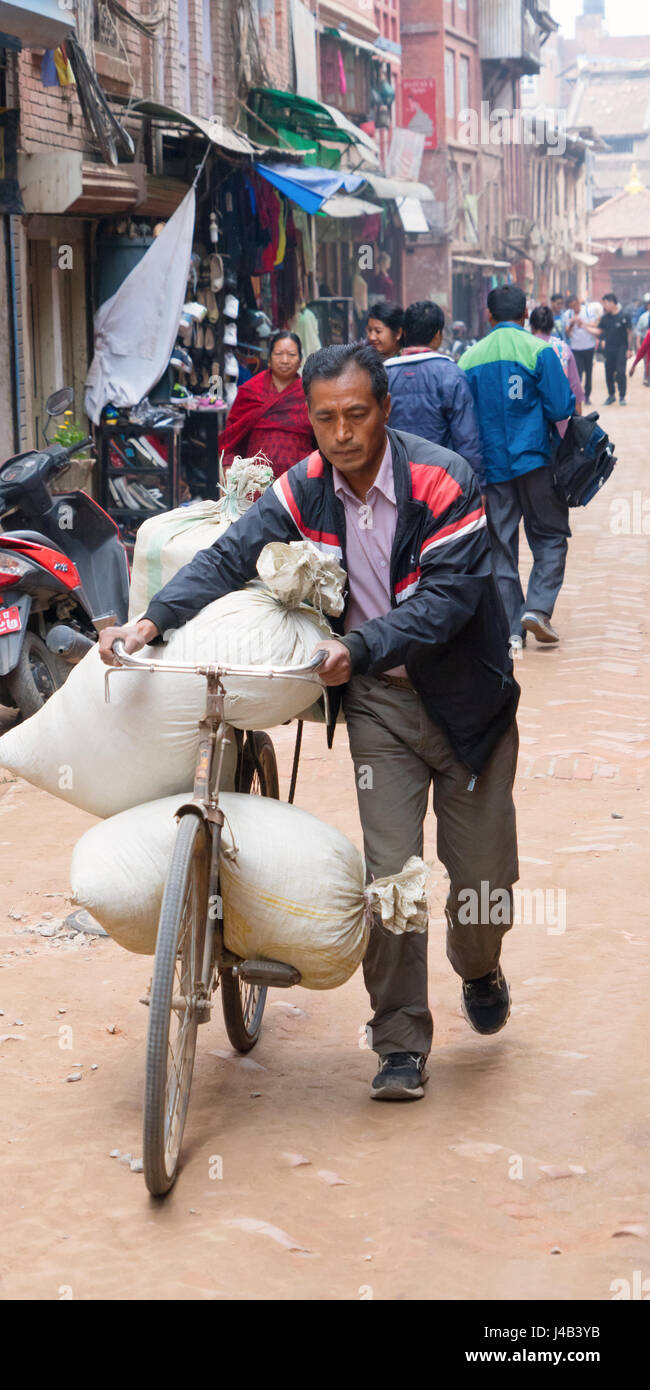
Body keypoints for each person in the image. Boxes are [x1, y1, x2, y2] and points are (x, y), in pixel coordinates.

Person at [100, 342, 520, 1104]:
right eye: (325, 418)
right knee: (392, 878)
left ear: (385, 411)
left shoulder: (442, 479)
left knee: (480, 881)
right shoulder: (305, 489)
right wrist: (150, 622)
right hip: (379, 707)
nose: (342, 432)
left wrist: (356, 644)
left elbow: (449, 600)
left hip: (469, 706)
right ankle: (399, 1043)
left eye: (356, 414)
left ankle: (480, 963)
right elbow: (231, 557)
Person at [460, 284, 575, 647]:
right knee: (551, 536)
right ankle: (538, 609)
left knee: (500, 547)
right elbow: (560, 409)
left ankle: (511, 629)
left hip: (491, 469)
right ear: (524, 314)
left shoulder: (468, 359)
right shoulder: (540, 350)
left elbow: (463, 421)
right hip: (537, 461)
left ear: (489, 315)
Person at [383, 300, 483, 479]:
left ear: (404, 332)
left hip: (394, 477)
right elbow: (466, 437)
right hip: (440, 478)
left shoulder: (382, 374)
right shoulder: (451, 374)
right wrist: (476, 482)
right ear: (438, 335)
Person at [217, 331, 315, 477]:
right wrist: (228, 469)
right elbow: (232, 436)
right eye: (278, 354)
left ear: (301, 360)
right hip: (254, 481)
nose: (285, 360)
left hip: (301, 480)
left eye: (291, 355)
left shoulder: (311, 394)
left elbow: (322, 437)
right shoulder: (250, 390)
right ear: (269, 359)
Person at [529, 304, 583, 433]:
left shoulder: (524, 347)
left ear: (531, 325)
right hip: (560, 421)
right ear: (552, 326)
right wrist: (578, 416)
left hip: (530, 420)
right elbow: (574, 385)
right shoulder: (562, 348)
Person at [597, 292, 632, 406]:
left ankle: (622, 396)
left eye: (605, 303)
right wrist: (584, 327)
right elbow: (599, 331)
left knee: (621, 372)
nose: (604, 306)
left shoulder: (624, 316)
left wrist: (629, 348)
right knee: (609, 372)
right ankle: (611, 395)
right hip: (609, 348)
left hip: (622, 348)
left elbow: (629, 333)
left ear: (612, 303)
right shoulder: (605, 318)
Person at [562, 295, 598, 403]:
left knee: (588, 371)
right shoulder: (568, 315)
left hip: (588, 346)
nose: (574, 308)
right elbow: (567, 333)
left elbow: (595, 325)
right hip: (576, 347)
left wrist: (582, 323)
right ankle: (578, 394)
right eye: (571, 306)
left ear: (578, 302)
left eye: (575, 305)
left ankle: (587, 395)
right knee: (577, 372)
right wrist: (572, 324)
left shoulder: (587, 311)